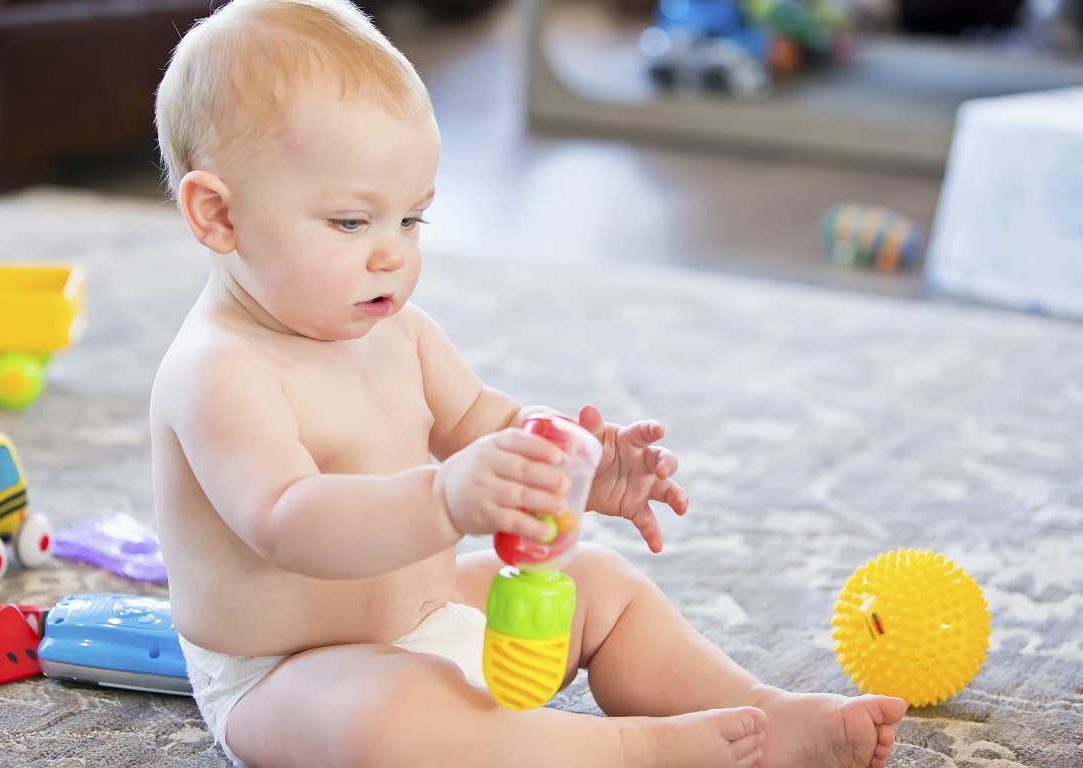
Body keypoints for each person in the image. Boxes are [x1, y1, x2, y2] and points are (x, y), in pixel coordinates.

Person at [150, 1, 908, 766]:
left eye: (412, 221)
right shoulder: (219, 372)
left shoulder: (399, 332)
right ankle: (633, 752)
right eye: (352, 223)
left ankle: (763, 715)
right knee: (396, 720)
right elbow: (288, 521)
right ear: (219, 215)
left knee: (598, 584)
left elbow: (482, 418)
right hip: (291, 677)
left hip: (432, 612)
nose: (392, 257)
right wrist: (445, 498)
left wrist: (566, 466)